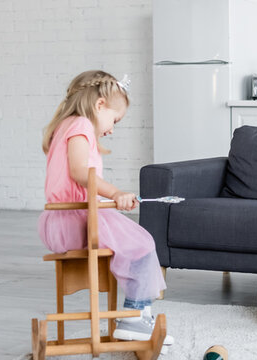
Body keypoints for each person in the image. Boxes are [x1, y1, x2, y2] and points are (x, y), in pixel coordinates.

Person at [38, 70, 173, 346]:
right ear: (100, 105)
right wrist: (115, 193)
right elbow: (79, 172)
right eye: (115, 120)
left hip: (59, 221)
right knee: (142, 244)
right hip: (78, 218)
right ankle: (135, 316)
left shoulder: (65, 126)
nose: (111, 129)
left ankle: (138, 315)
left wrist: (112, 199)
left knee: (136, 241)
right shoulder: (81, 126)